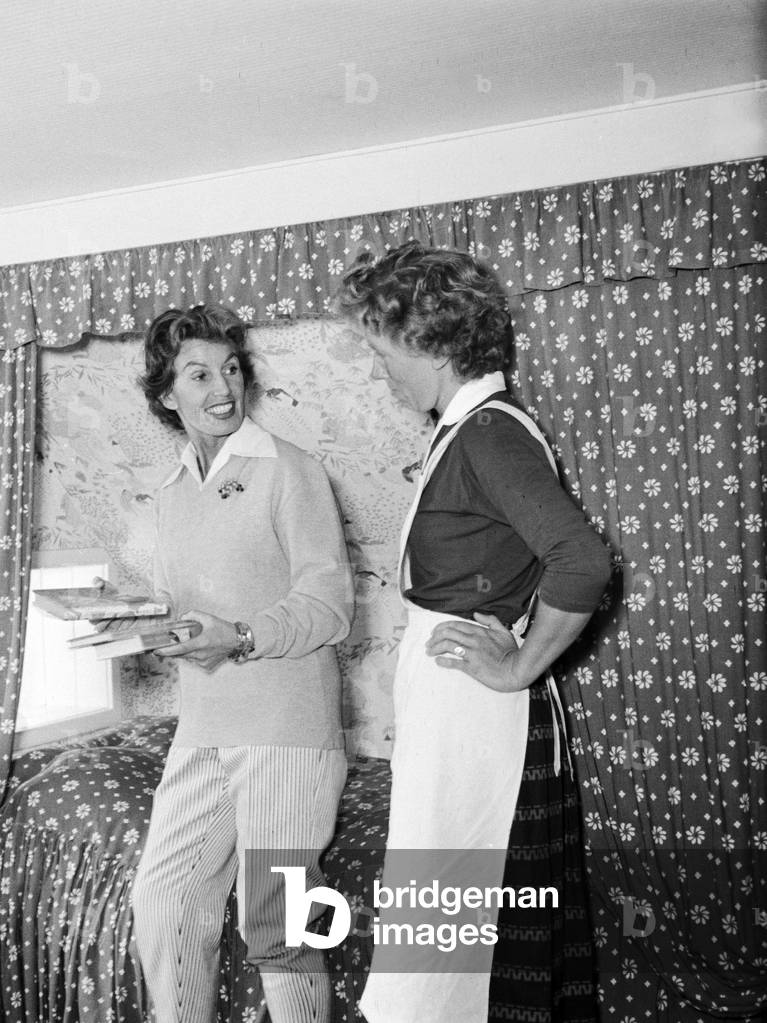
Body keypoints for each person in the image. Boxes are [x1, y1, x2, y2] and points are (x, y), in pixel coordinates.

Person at [335, 242, 610, 1023]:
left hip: (481, 722)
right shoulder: (465, 427)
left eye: (381, 349)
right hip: (452, 714)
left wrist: (519, 665)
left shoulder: (488, 433)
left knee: (467, 935)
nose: (379, 369)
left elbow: (581, 561)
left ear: (429, 344)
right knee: (448, 929)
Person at [128, 303, 354, 1023]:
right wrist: (148, 626)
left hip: (287, 728)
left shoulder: (290, 470)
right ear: (167, 394)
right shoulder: (167, 493)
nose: (221, 385)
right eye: (198, 373)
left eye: (229, 367)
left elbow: (328, 604)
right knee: (163, 904)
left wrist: (243, 635)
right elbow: (184, 607)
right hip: (204, 723)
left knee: (280, 930)